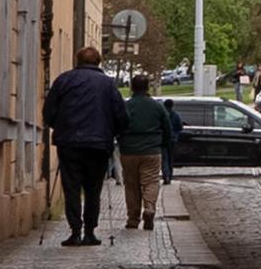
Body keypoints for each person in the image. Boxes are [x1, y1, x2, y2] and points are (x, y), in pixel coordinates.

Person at [42, 45, 127, 247]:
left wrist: (61, 128)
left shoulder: (63, 80)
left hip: (69, 143)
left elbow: (49, 112)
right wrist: (112, 132)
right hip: (98, 144)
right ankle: (90, 231)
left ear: (78, 61)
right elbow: (121, 116)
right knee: (93, 189)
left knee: (71, 188)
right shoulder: (108, 84)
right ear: (98, 62)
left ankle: (75, 232)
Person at [118, 73, 176, 230]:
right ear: (148, 87)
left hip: (129, 150)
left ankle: (133, 218)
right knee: (150, 181)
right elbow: (167, 129)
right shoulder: (158, 107)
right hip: (151, 150)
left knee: (131, 185)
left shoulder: (126, 106)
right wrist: (162, 144)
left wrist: (121, 141)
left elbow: (118, 125)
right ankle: (149, 208)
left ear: (131, 88)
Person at [161, 95, 184, 185]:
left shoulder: (162, 114)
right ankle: (169, 176)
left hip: (163, 139)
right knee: (170, 159)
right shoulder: (176, 115)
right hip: (172, 140)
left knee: (164, 159)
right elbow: (180, 127)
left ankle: (165, 175)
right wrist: (175, 135)